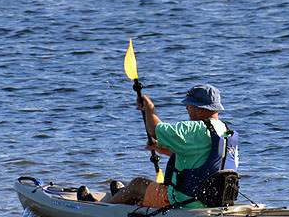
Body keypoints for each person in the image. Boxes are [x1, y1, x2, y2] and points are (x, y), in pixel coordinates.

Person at [95, 84, 238, 209]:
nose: (187, 108)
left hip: (186, 201)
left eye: (189, 105)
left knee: (137, 184)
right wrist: (163, 150)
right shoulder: (225, 130)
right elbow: (206, 159)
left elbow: (155, 129)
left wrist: (149, 109)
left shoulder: (195, 129)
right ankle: (125, 197)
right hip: (215, 201)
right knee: (143, 189)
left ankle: (102, 210)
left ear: (200, 109)